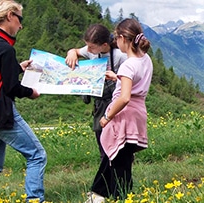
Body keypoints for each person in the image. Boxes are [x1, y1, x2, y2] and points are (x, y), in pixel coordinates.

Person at [0, 0, 47, 202]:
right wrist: (31, 92)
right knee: (37, 155)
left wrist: (16, 67)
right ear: (10, 16)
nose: (21, 25)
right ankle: (34, 199)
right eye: (20, 19)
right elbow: (11, 87)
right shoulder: (4, 48)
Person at [85, 18, 153, 203]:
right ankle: (117, 195)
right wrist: (118, 78)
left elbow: (124, 98)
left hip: (124, 116)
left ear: (123, 38)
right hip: (138, 114)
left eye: (117, 37)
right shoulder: (145, 59)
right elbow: (135, 86)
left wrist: (107, 116)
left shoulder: (128, 64)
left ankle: (106, 195)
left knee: (114, 157)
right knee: (122, 158)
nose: (117, 42)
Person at [65, 24, 127, 160]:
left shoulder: (120, 56)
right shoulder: (91, 52)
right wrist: (72, 53)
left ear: (104, 45)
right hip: (99, 103)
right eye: (87, 46)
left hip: (115, 102)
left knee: (115, 136)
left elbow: (128, 81)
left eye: (91, 47)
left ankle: (116, 166)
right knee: (99, 134)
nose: (88, 49)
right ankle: (104, 164)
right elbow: (76, 51)